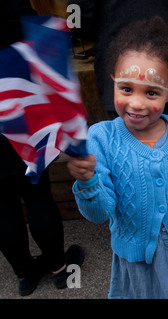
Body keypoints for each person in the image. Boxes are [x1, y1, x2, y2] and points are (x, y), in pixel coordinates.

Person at [67, 17, 168, 299]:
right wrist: (87, 182)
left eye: (152, 92)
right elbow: (99, 213)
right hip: (138, 262)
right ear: (112, 82)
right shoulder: (101, 138)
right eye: (126, 88)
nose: (136, 103)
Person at [0, 0, 84, 297]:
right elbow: (29, 27)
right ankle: (59, 270)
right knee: (35, 190)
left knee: (2, 202)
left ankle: (24, 275)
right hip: (12, 103)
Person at [68, 0, 168, 119]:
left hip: (118, 63)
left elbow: (79, 16)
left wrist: (98, 34)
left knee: (125, 140)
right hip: (164, 63)